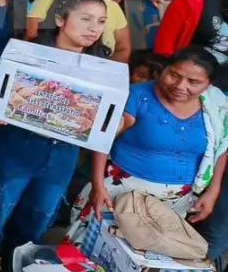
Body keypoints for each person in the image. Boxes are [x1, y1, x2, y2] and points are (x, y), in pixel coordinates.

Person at [0, 0, 110, 257]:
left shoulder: (102, 68)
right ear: (60, 19)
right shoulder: (27, 56)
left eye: (101, 21)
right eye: (86, 19)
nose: (94, 28)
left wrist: (98, 182)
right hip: (16, 151)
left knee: (34, 226)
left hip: (61, 159)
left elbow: (101, 131)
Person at [65, 48, 228, 244]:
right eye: (174, 75)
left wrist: (213, 191)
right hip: (117, 194)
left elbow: (220, 148)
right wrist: (98, 186)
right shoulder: (138, 96)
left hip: (174, 203)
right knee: (94, 248)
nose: (179, 85)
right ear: (165, 69)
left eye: (193, 82)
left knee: (141, 260)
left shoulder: (215, 105)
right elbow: (104, 136)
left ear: (208, 85)